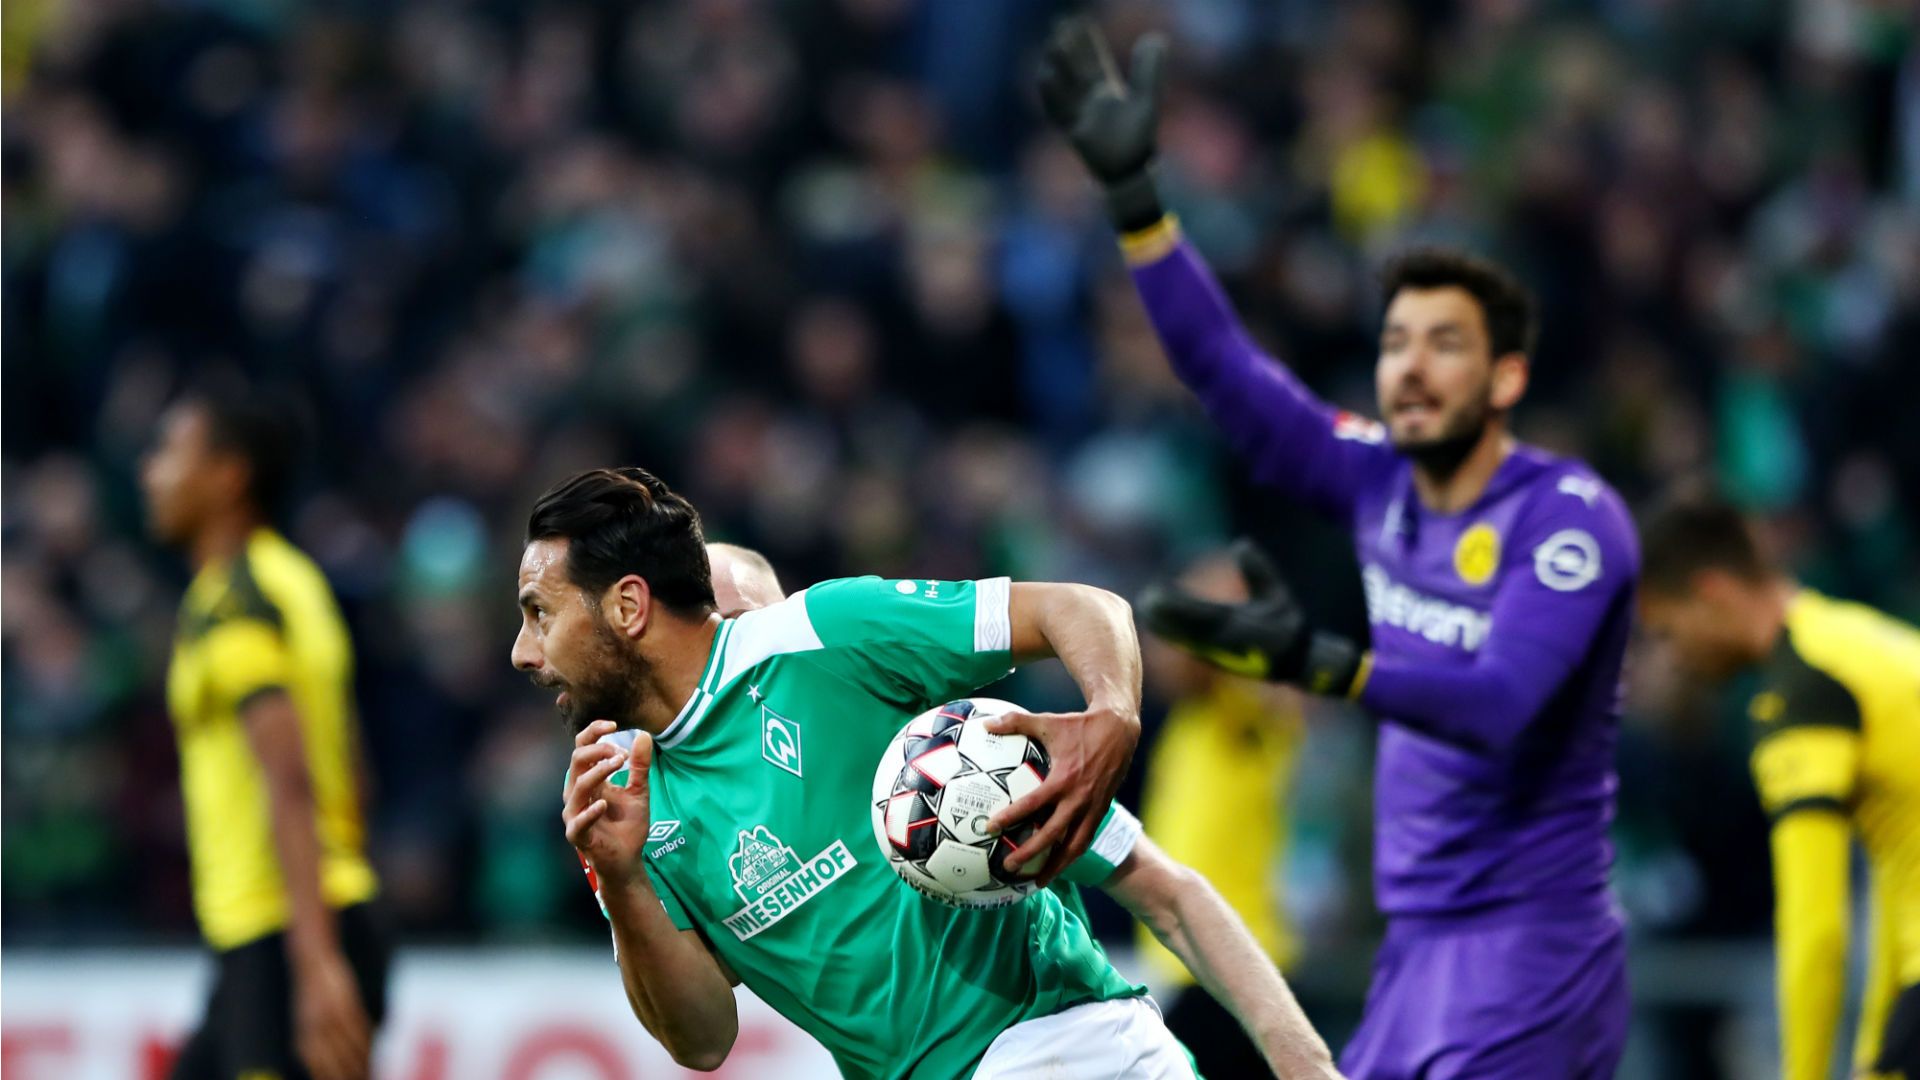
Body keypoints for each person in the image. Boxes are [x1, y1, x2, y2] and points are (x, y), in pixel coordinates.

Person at [1039, 17, 1637, 1077]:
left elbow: (1501, 702)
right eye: (1396, 341)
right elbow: (1229, 375)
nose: (1409, 367)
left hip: (1530, 943)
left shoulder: (1568, 524)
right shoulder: (1379, 484)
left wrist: (1317, 663)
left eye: (1443, 344)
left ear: (1505, 379)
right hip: (1419, 947)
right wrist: (1139, 206)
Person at [512, 466, 1338, 1078]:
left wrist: (1111, 715)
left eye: (538, 615)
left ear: (630, 607)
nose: (522, 653)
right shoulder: (617, 799)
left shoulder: (892, 704)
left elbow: (1081, 609)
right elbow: (702, 1039)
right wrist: (621, 883)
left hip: (1061, 1048)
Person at [702, 542, 1340, 1078]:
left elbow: (1168, 890)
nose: (730, 661)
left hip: (1179, 988)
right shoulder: (689, 827)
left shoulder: (959, 769)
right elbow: (698, 1035)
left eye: (743, 626)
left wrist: (1308, 1066)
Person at [140, 390, 389, 1080]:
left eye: (168, 452)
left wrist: (314, 968)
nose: (148, 472)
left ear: (228, 475)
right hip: (299, 926)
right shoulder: (297, 582)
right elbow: (354, 773)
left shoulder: (234, 605)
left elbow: (289, 777)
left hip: (280, 935)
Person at [1637, 494, 1920, 1080]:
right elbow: (1904, 889)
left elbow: (1814, 925)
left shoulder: (1802, 693)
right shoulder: (1859, 641)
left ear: (1710, 594)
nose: (1674, 658)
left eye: (1666, 631)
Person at [1136, 552, 1310, 1080]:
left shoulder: (1250, 707)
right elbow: (1163, 658)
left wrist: (1217, 607)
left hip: (1239, 964)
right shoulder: (1188, 718)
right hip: (1187, 965)